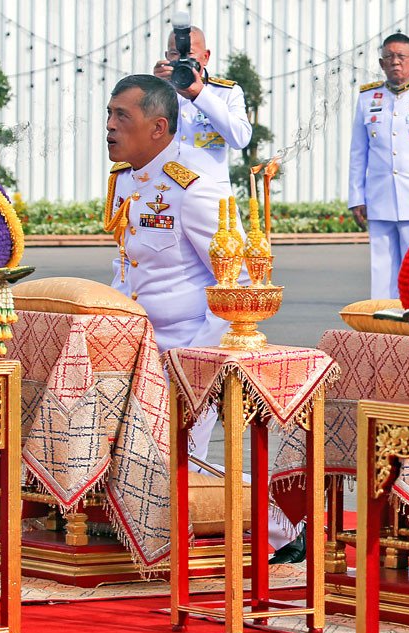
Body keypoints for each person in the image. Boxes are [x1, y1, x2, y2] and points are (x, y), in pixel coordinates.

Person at [104, 74, 299, 555]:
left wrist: (205, 361)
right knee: (141, 463)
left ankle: (284, 530)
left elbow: (236, 278)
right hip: (138, 346)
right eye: (108, 115)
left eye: (121, 117)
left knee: (180, 467)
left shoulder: (191, 184)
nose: (108, 127)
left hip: (187, 351)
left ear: (158, 126)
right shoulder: (127, 179)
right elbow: (129, 264)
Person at [348, 32, 409, 299]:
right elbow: (358, 153)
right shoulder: (368, 98)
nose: (395, 62)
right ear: (381, 63)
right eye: (389, 57)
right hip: (379, 196)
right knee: (381, 269)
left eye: (401, 57)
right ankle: (380, 324)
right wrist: (357, 197)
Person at [153, 23, 251, 199]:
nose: (181, 60)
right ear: (166, 57)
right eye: (175, 54)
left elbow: (241, 138)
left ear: (205, 57)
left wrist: (199, 95)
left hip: (210, 197)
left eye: (189, 54)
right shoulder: (153, 90)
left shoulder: (226, 92)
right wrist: (151, 87)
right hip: (162, 197)